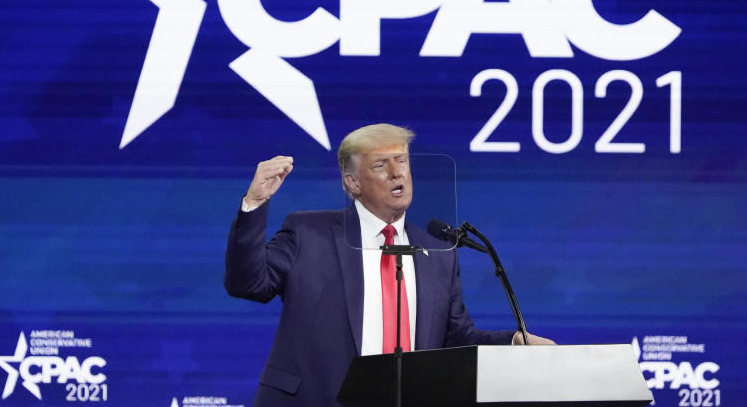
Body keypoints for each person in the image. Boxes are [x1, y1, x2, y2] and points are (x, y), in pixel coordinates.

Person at [225, 123, 554, 406]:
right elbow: (249, 284)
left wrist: (513, 342)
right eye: (381, 164)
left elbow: (454, 338)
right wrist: (254, 204)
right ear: (353, 183)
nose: (398, 172)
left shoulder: (437, 251)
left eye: (403, 161)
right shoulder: (309, 233)